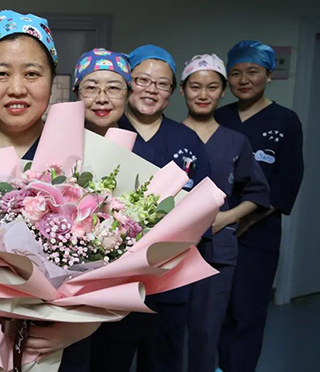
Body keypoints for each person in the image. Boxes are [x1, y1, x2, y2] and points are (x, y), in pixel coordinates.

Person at [0, 10, 98, 371]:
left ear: (52, 80)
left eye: (32, 73)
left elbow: (119, 265)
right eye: (1, 73)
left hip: (61, 347)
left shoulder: (88, 158)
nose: (17, 88)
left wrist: (83, 325)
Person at [93, 44, 211, 372]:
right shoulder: (107, 132)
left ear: (172, 92)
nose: (151, 90)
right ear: (128, 83)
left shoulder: (187, 140)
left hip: (169, 280)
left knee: (164, 361)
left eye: (162, 84)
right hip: (112, 281)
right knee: (108, 361)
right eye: (142, 80)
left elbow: (204, 207)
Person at [215, 40, 304, 372]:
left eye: (252, 71)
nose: (244, 80)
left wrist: (243, 222)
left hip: (259, 234)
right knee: (215, 310)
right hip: (214, 230)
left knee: (247, 312)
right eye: (236, 73)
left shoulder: (286, 120)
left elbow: (287, 181)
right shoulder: (219, 116)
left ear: (268, 74)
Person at [179, 54, 270, 372]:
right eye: (195, 87)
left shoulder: (235, 141)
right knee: (166, 331)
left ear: (222, 92)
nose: (203, 94)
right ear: (182, 90)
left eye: (212, 87)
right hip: (170, 251)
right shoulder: (171, 136)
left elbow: (259, 193)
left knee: (206, 332)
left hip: (217, 252)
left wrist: (226, 219)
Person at [73, 48, 131, 136]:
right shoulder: (60, 142)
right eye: (91, 88)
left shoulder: (137, 145)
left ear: (128, 95)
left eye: (113, 88)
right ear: (77, 94)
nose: (102, 99)